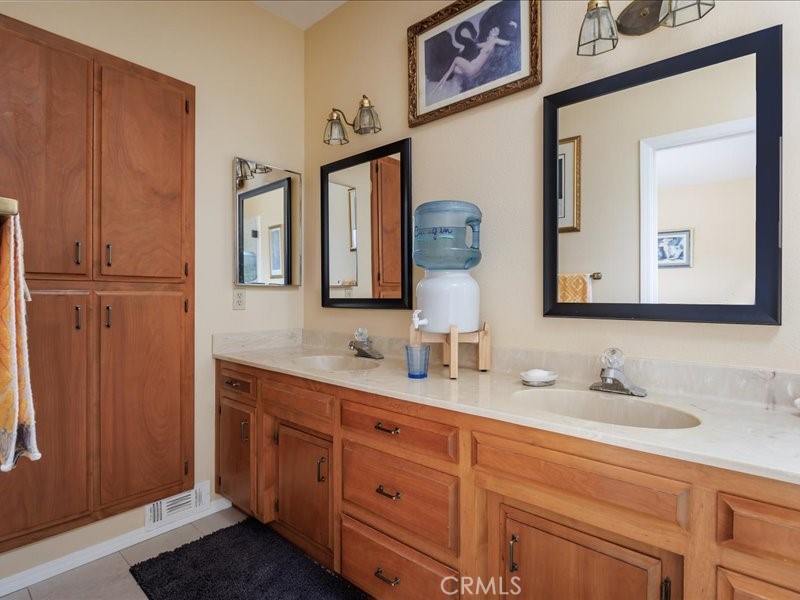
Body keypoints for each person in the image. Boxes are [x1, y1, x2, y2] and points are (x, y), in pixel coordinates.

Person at [434, 26, 511, 93]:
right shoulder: (486, 43)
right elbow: (475, 45)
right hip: (471, 69)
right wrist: (465, 47)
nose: (492, 30)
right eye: (493, 29)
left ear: (496, 35)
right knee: (455, 69)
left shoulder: (494, 41)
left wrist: (514, 25)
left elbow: (507, 43)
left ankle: (443, 80)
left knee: (456, 59)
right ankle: (442, 83)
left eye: (495, 30)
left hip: (472, 69)